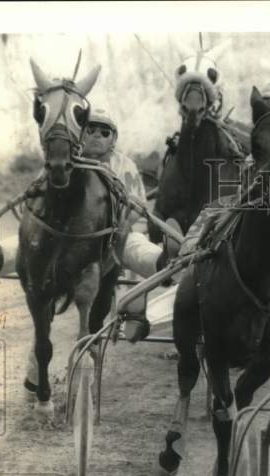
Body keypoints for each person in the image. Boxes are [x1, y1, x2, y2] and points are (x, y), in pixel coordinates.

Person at [80, 107, 178, 342]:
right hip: (77, 236)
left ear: (113, 139)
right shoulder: (72, 163)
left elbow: (136, 205)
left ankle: (165, 261)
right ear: (80, 134)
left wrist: (119, 226)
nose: (95, 136)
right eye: (90, 130)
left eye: (103, 133)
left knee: (136, 247)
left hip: (117, 230)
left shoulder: (125, 165)